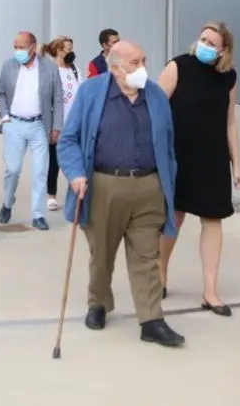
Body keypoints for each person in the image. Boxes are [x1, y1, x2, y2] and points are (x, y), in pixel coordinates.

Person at [59, 40, 185, 347]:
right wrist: (75, 174)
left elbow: (167, 144)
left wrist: (166, 181)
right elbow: (69, 140)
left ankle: (151, 319)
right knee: (101, 254)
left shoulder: (155, 95)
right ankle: (98, 302)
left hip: (148, 187)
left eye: (143, 60)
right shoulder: (91, 93)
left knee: (147, 255)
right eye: (134, 63)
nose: (142, 67)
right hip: (104, 185)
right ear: (115, 68)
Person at [157, 21, 240, 314]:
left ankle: (210, 292)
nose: (204, 44)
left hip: (213, 157)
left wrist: (237, 164)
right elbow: (154, 108)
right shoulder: (178, 66)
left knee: (213, 219)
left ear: (223, 50)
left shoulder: (228, 77)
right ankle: (160, 274)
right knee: (174, 217)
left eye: (212, 42)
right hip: (178, 154)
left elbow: (230, 122)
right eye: (203, 38)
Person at [0, 31, 63, 230]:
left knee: (40, 170)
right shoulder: (8, 65)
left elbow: (57, 99)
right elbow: (0, 94)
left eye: (22, 46)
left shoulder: (49, 67)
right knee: (12, 169)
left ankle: (38, 214)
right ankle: (7, 203)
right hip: (14, 125)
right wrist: (5, 116)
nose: (18, 50)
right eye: (15, 46)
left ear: (33, 47)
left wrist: (56, 127)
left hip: (39, 125)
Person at [40, 35, 80, 210]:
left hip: (74, 123)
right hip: (57, 123)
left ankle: (77, 192)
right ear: (59, 51)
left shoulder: (75, 69)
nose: (71, 52)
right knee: (54, 161)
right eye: (68, 48)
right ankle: (51, 195)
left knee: (75, 160)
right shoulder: (49, 71)